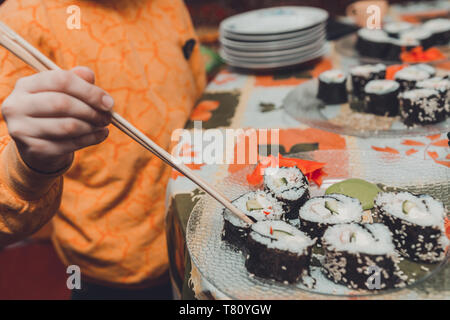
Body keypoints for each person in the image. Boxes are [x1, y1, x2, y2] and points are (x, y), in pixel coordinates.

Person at [0, 0, 205, 299]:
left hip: (195, 240)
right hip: (112, 269)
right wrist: (30, 164)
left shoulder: (169, 5)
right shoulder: (23, 17)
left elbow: (198, 107)